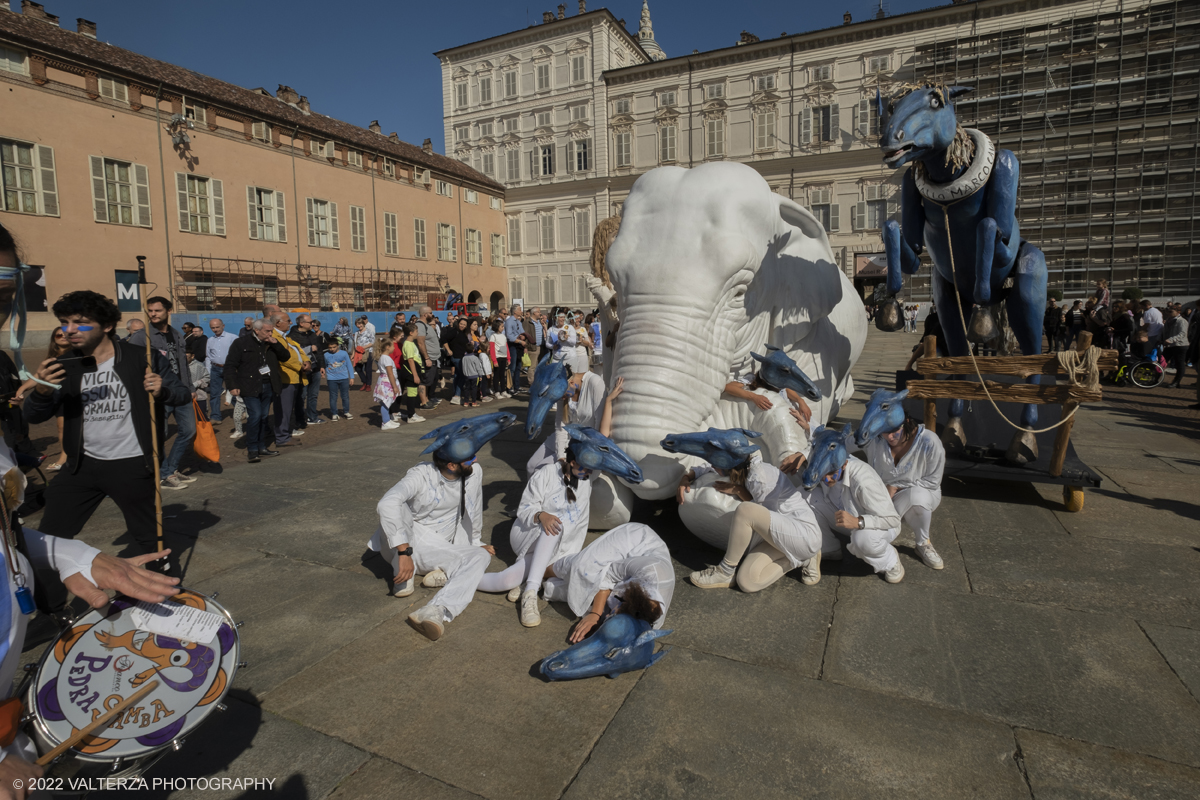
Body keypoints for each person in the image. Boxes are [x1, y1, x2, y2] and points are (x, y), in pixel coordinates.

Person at [25, 291, 190, 571]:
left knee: (150, 539)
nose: (69, 330)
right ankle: (49, 608)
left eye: (80, 322)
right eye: (65, 322)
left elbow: (182, 393)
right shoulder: (64, 366)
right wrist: (41, 390)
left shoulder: (141, 358)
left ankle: (166, 595)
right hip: (81, 466)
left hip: (132, 464)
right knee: (48, 538)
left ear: (108, 326)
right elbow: (34, 414)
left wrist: (162, 390)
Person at [366, 418, 504, 642]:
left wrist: (476, 541)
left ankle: (434, 610)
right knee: (397, 507)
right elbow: (386, 504)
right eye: (470, 459)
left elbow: (475, 506)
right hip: (413, 541)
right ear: (451, 465)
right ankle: (405, 570)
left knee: (479, 556)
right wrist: (403, 553)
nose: (475, 460)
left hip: (444, 543)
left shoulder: (472, 472)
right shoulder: (420, 475)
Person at [478, 447, 594, 626]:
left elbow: (578, 527)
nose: (589, 472)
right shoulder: (547, 473)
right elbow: (525, 509)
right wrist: (541, 515)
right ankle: (530, 593)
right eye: (586, 468)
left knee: (506, 580)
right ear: (572, 462)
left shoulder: (585, 480)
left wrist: (559, 559)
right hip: (528, 533)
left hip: (557, 548)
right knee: (555, 526)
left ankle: (461, 577)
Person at [683, 445, 823, 592]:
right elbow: (707, 467)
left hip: (802, 533)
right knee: (747, 582)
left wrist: (739, 491)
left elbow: (759, 514)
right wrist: (687, 477)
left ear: (729, 466)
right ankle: (803, 559)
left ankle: (725, 571)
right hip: (781, 537)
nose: (713, 467)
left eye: (717, 464)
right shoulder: (744, 466)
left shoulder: (759, 477)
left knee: (745, 510)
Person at [541, 522, 674, 644]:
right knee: (582, 567)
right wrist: (595, 614)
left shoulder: (652, 622)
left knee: (583, 593)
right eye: (614, 612)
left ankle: (546, 585)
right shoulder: (649, 569)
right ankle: (540, 573)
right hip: (635, 541)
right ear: (626, 600)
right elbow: (605, 576)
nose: (610, 614)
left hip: (629, 578)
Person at [805, 429, 904, 584]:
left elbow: (893, 520)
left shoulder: (863, 481)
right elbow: (819, 443)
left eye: (831, 474)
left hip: (879, 525)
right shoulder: (821, 464)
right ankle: (829, 547)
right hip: (846, 516)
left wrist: (859, 522)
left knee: (863, 539)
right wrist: (799, 456)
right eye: (823, 475)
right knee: (802, 497)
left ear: (844, 463)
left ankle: (890, 562)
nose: (826, 479)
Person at [861, 414, 946, 570]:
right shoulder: (875, 438)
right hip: (884, 494)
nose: (889, 436)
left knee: (916, 497)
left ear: (906, 422)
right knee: (865, 537)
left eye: (894, 431)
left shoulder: (929, 441)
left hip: (923, 491)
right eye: (884, 431)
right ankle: (883, 542)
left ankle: (923, 543)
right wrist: (810, 432)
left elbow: (932, 482)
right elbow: (846, 442)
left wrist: (895, 486)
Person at [128, 296, 196, 491]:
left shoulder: (177, 334)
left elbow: (183, 364)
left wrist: (189, 388)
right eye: (150, 311)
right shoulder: (142, 337)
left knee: (189, 430)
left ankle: (171, 469)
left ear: (168, 311)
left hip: (180, 391)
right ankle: (164, 473)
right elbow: (134, 367)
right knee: (160, 435)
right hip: (158, 394)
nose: (153, 314)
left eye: (157, 310)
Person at [525, 370, 621, 476]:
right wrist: (561, 457)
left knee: (542, 470)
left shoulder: (595, 383)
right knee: (531, 466)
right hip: (566, 436)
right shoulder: (564, 390)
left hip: (583, 443)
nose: (561, 398)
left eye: (562, 395)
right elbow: (560, 426)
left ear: (571, 383)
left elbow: (600, 430)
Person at [223, 318, 291, 463]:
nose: (270, 333)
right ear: (257, 330)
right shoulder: (241, 343)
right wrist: (232, 385)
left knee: (263, 417)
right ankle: (252, 449)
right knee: (255, 415)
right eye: (267, 331)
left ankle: (262, 447)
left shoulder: (271, 343)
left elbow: (286, 357)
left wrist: (276, 344)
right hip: (250, 385)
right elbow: (230, 365)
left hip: (269, 385)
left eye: (271, 330)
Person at [15, 327, 71, 470]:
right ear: (54, 339)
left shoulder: (78, 354)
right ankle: (64, 458)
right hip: (60, 395)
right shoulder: (51, 359)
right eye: (59, 335)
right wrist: (21, 389)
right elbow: (39, 377)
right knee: (61, 427)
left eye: (66, 334)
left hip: (76, 394)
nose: (63, 336)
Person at [269, 312, 308, 446]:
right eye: (288, 320)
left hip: (293, 377)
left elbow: (298, 350)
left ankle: (284, 434)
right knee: (283, 409)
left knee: (287, 409)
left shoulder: (285, 337)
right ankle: (282, 437)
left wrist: (306, 360)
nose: (291, 323)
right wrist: (300, 366)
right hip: (285, 378)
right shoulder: (274, 336)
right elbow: (284, 357)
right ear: (278, 323)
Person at [288, 314, 324, 426]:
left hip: (316, 369)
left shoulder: (313, 335)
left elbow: (319, 351)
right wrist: (309, 348)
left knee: (313, 395)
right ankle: (300, 420)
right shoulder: (292, 336)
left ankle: (312, 417)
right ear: (301, 323)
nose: (312, 324)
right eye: (310, 322)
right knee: (301, 396)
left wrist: (322, 366)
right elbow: (293, 353)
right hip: (302, 371)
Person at [205, 318, 236, 424]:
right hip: (215, 369)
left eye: (217, 327)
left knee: (234, 391)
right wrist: (208, 371)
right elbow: (208, 356)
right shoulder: (210, 340)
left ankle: (240, 412)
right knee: (214, 393)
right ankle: (215, 416)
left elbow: (238, 354)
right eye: (212, 328)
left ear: (223, 326)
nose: (215, 329)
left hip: (230, 368)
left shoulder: (232, 338)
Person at [373, 336, 407, 429]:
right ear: (387, 347)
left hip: (385, 381)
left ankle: (387, 419)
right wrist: (394, 386)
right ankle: (385, 422)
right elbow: (390, 373)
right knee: (386, 402)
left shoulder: (383, 357)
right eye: (392, 346)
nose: (394, 347)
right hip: (387, 382)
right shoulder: (386, 358)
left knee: (387, 402)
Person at [398, 323, 426, 424]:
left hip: (413, 369)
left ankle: (412, 413)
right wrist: (415, 375)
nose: (417, 333)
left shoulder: (410, 343)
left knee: (412, 393)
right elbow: (410, 360)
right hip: (411, 371)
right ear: (411, 333)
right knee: (412, 394)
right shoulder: (408, 344)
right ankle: (411, 415)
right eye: (416, 331)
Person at [415, 306, 441, 411]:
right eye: (430, 313)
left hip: (433, 358)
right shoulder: (420, 325)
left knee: (429, 380)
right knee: (424, 380)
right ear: (425, 314)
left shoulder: (426, 325)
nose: (432, 315)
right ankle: (424, 402)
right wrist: (426, 358)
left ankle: (426, 399)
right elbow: (420, 343)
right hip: (427, 358)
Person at [322, 338, 353, 420]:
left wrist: (352, 377)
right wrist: (323, 372)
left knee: (345, 396)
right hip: (331, 379)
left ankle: (346, 411)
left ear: (338, 346)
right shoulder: (326, 355)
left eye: (334, 347)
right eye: (330, 347)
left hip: (344, 378)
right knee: (333, 396)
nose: (332, 349)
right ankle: (334, 413)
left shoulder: (344, 353)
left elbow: (349, 365)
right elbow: (325, 365)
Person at [442, 316, 471, 405]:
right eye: (461, 324)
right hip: (457, 357)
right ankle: (457, 396)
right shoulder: (454, 331)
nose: (462, 326)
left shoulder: (464, 333)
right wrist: (448, 350)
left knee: (457, 376)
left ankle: (455, 394)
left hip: (462, 357)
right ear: (458, 324)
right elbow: (443, 339)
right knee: (462, 376)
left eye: (464, 324)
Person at [1163, 304, 1188, 388]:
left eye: (1171, 311)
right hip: (1170, 346)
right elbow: (1165, 331)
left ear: (1178, 312)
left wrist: (1171, 340)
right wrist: (1161, 339)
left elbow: (1182, 334)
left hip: (1180, 345)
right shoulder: (1168, 320)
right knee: (1162, 360)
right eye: (1168, 311)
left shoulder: (1182, 321)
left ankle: (1177, 381)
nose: (1168, 313)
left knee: (1179, 363)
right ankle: (1156, 377)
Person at [504, 303, 526, 394]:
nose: (521, 311)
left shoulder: (518, 321)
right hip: (512, 345)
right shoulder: (509, 321)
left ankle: (517, 386)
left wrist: (523, 337)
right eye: (520, 310)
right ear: (515, 311)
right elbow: (509, 336)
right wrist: (520, 341)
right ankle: (509, 387)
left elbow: (522, 332)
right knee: (512, 367)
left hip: (519, 345)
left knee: (518, 367)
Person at [488, 319, 510, 399]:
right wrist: (494, 360)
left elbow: (506, 347)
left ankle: (503, 391)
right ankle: (497, 391)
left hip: (504, 357)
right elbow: (492, 349)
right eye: (502, 326)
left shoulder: (503, 336)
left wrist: (508, 358)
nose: (503, 328)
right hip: (497, 357)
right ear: (497, 327)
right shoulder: (493, 336)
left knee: (502, 375)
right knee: (496, 375)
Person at [352, 317, 375, 390]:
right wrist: (353, 354)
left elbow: (373, 342)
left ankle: (368, 385)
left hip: (368, 352)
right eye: (357, 324)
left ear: (363, 323)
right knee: (357, 368)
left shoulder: (369, 332)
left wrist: (363, 347)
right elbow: (355, 344)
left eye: (360, 324)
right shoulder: (356, 333)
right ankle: (364, 382)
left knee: (368, 369)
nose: (359, 326)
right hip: (358, 353)